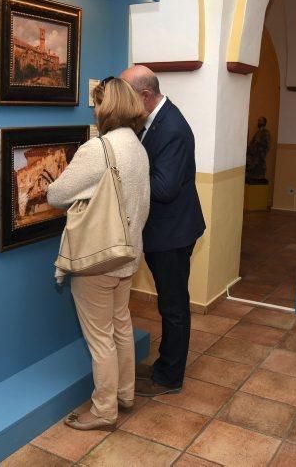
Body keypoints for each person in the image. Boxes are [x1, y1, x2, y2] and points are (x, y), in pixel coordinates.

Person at [47, 78, 150, 430]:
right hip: (128, 255)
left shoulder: (98, 149)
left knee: (100, 338)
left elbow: (55, 195)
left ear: (106, 107)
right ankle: (125, 393)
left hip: (98, 259)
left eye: (96, 102)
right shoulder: (137, 146)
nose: (92, 108)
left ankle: (104, 410)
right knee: (121, 325)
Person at [118, 65, 206, 397]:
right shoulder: (152, 121)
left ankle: (169, 376)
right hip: (164, 230)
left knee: (173, 305)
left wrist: (122, 176)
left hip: (173, 233)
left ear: (144, 96)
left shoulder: (172, 127)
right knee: (170, 303)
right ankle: (164, 365)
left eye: (127, 97)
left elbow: (165, 187)